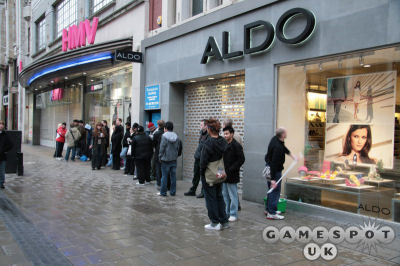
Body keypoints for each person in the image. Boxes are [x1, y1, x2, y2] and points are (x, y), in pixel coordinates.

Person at [200, 118, 229, 231]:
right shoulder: (223, 141)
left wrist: (202, 172)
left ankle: (214, 223)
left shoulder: (208, 143)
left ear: (209, 129)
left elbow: (203, 162)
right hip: (220, 171)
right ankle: (224, 221)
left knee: (211, 199)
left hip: (209, 174)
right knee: (219, 197)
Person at [264, 128, 296, 220]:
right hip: (274, 170)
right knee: (275, 190)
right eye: (285, 132)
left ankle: (269, 209)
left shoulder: (275, 139)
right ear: (282, 135)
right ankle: (272, 213)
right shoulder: (277, 147)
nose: (287, 133)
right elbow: (274, 163)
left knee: (271, 190)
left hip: (270, 167)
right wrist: (273, 179)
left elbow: (283, 147)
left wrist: (291, 155)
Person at [222, 126, 245, 222]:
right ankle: (226, 213)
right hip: (224, 174)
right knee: (225, 195)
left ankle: (233, 214)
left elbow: (241, 159)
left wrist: (232, 169)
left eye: (227, 133)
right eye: (224, 133)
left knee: (233, 195)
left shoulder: (236, 145)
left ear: (232, 134)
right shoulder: (224, 144)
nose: (225, 135)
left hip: (232, 174)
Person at [185, 119, 208, 198]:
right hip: (197, 157)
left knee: (203, 176)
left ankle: (203, 192)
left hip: (202, 159)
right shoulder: (201, 133)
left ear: (206, 126)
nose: (200, 126)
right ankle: (193, 190)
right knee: (196, 175)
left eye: (201, 125)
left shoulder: (208, 135)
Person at [158, 121, 182, 196]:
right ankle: (172, 192)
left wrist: (160, 156)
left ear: (166, 128)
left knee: (164, 177)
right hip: (173, 159)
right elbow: (178, 147)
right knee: (173, 177)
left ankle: (163, 192)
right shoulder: (176, 136)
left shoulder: (164, 136)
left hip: (165, 159)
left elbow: (162, 147)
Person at [0, 120, 13, 189]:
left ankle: (1, 183)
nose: (1, 125)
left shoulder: (5, 134)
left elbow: (11, 144)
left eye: (2, 124)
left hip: (2, 156)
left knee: (2, 170)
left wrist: (4, 150)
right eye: (0, 124)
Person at [152, 120, 165, 187]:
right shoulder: (165, 133)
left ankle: (159, 183)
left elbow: (153, 144)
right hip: (165, 153)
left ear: (158, 125)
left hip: (158, 152)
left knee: (158, 168)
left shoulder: (156, 133)